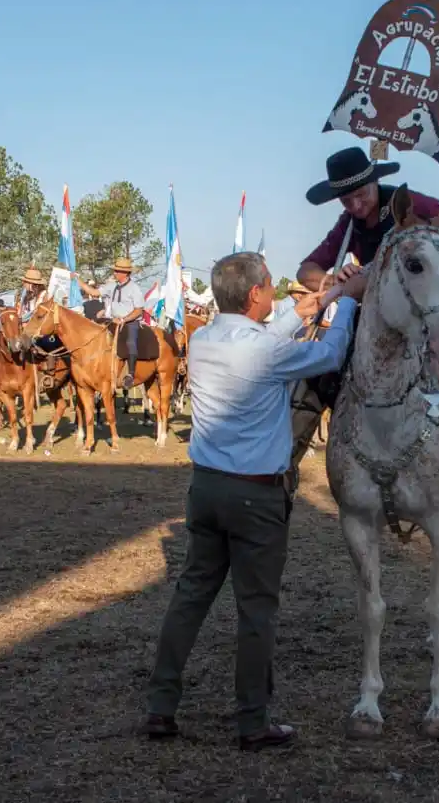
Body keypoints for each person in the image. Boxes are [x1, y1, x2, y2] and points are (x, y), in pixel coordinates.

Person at [140, 252, 366, 751]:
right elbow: (329, 355)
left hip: (206, 488)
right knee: (257, 611)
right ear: (255, 295)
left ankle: (161, 705)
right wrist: (344, 305)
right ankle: (252, 720)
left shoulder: (202, 340)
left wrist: (319, 300)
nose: (277, 292)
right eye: (270, 285)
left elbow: (266, 336)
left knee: (191, 595)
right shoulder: (263, 351)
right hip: (256, 494)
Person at [293, 146, 439, 504]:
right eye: (346, 201)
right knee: (319, 369)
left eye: (360, 195)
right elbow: (306, 270)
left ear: (375, 183)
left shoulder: (421, 206)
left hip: (434, 310)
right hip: (379, 318)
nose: (356, 206)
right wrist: (330, 281)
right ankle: (285, 463)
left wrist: (380, 270)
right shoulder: (348, 226)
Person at [77, 257, 145, 390]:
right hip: (113, 320)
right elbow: (94, 292)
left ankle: (130, 374)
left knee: (131, 342)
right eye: (115, 270)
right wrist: (77, 280)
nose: (115, 273)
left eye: (117, 271)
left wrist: (124, 319)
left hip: (130, 322)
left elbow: (138, 310)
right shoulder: (111, 286)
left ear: (125, 273)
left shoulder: (134, 288)